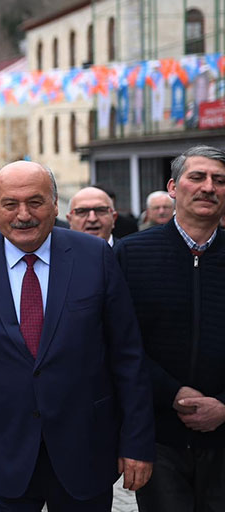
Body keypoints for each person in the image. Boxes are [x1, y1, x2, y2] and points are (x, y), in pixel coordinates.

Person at [0, 160, 154, 511]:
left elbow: (127, 357)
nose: (23, 214)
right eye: (10, 204)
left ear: (55, 205)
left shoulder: (95, 256)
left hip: (85, 447)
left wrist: (136, 444)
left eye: (35, 202)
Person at [114, 145, 225, 512]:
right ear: (174, 187)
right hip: (158, 439)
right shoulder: (130, 255)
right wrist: (173, 393)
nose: (208, 187)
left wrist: (223, 406)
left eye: (220, 180)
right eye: (198, 177)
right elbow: (118, 343)